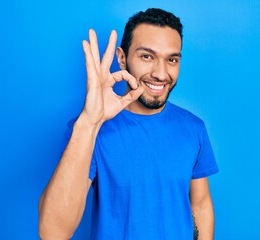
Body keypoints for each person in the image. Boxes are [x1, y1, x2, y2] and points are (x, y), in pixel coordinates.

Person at [39, 8, 218, 240]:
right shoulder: (88, 130)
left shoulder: (194, 128)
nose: (161, 74)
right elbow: (52, 232)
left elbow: (201, 204)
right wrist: (90, 122)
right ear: (122, 58)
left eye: (171, 59)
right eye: (147, 56)